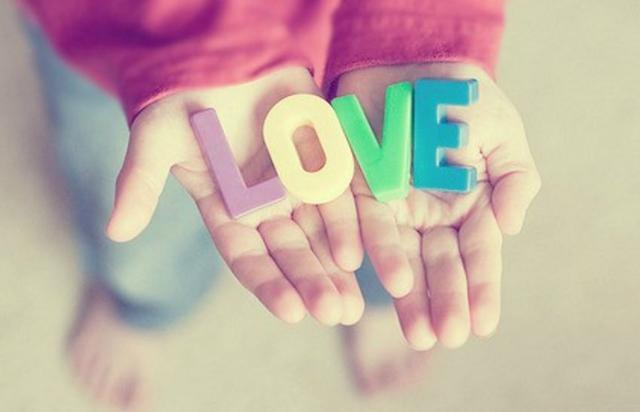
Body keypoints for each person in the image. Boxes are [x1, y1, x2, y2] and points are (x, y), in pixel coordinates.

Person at [18, 0, 540, 409]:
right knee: (146, 225)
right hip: (118, 30)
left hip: (349, 24)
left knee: (391, 206)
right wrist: (193, 45)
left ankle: (382, 294)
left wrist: (415, 25)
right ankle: (148, 306)